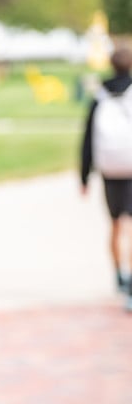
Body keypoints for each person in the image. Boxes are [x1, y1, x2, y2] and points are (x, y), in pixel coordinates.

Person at [80, 46, 132, 311]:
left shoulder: (100, 96)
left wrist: (84, 175)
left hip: (110, 170)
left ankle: (118, 274)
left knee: (115, 225)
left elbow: (88, 139)